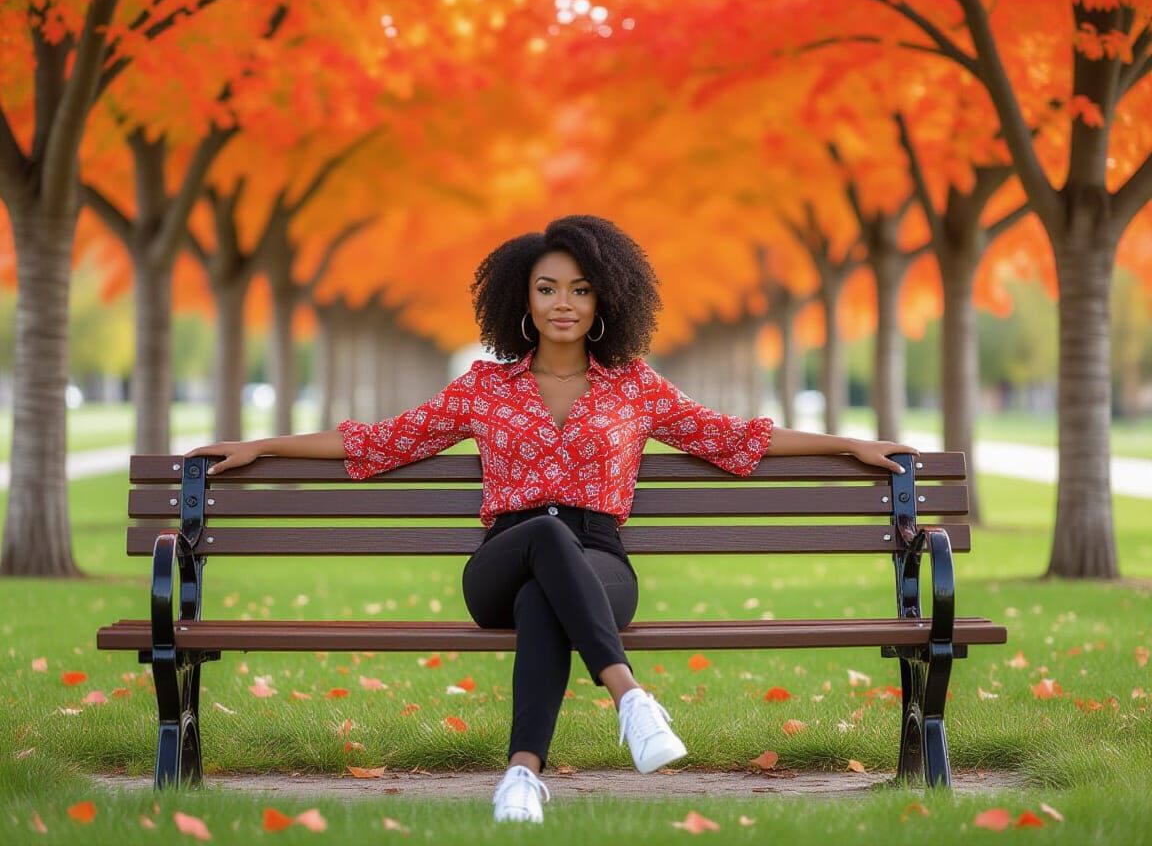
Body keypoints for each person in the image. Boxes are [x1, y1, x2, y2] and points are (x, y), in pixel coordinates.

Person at [190, 214, 916, 823]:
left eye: (579, 287)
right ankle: (629, 698)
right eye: (546, 289)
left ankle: (520, 778)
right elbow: (379, 443)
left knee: (551, 589)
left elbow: (734, 439)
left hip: (600, 566)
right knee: (540, 535)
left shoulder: (635, 386)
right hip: (502, 562)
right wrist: (263, 446)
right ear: (523, 301)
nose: (563, 302)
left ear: (606, 300)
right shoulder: (484, 388)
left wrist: (846, 441)